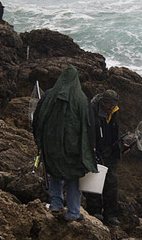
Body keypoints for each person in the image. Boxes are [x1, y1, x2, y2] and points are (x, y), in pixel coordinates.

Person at [31, 65, 96, 221]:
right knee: (73, 178)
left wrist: (40, 143)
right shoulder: (82, 100)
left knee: (55, 173)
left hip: (51, 146)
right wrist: (90, 149)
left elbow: (37, 120)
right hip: (73, 149)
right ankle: (73, 212)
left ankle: (55, 204)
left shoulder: (48, 96)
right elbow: (89, 127)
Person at [87, 89, 125, 226]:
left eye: (112, 105)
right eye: (108, 105)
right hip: (96, 151)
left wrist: (120, 145)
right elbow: (89, 131)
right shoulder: (92, 110)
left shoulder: (115, 111)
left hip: (111, 152)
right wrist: (92, 148)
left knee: (112, 183)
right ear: (103, 102)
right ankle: (95, 211)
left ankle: (111, 214)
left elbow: (116, 130)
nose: (110, 108)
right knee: (94, 182)